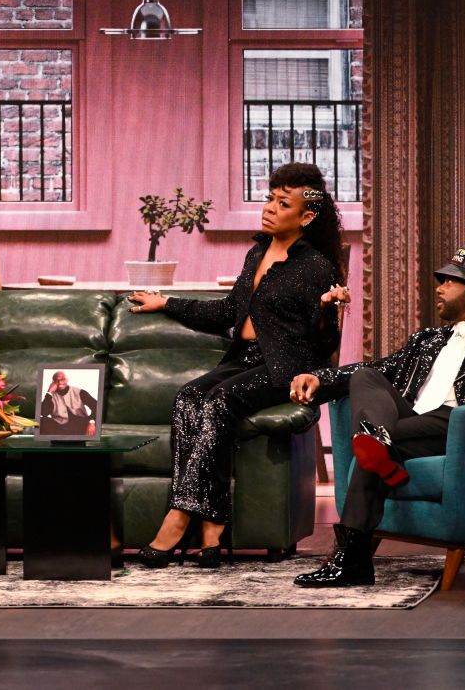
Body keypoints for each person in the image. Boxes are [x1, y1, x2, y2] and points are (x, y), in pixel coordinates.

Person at [289, 244, 465, 588]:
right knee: (367, 379)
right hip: (412, 421)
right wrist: (321, 377)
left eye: (449, 281)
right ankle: (378, 443)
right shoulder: (429, 339)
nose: (438, 287)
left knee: (370, 442)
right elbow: (380, 369)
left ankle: (352, 557)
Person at [128, 162, 349, 569]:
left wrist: (324, 313)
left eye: (282, 203)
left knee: (219, 402)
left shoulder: (316, 267)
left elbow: (323, 348)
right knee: (188, 397)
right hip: (244, 360)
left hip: (284, 364)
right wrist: (167, 303)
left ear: (306, 216)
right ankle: (212, 523)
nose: (269, 207)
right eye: (269, 198)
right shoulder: (256, 253)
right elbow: (229, 310)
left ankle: (179, 518)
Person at [40, 371, 99, 436]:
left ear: (67, 380)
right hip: (60, 426)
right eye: (56, 381)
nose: (59, 383)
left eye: (62, 380)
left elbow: (97, 407)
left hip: (80, 425)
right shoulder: (50, 396)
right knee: (41, 421)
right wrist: (49, 392)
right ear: (53, 382)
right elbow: (43, 413)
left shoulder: (80, 392)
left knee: (94, 423)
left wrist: (92, 422)